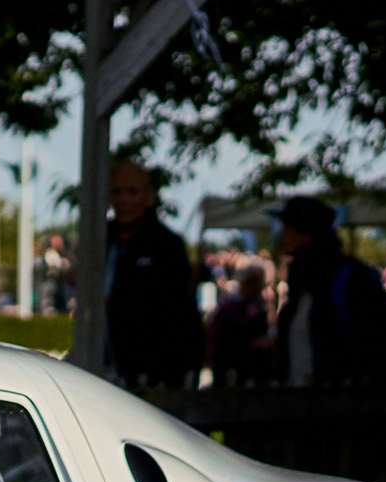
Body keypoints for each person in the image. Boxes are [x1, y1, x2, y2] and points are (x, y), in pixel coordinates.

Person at [273, 195, 386, 385]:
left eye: (288, 228)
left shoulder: (351, 278)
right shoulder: (300, 283)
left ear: (305, 234)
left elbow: (374, 343)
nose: (282, 235)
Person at [101, 159, 202, 387]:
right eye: (117, 192)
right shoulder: (100, 240)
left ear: (148, 197)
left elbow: (181, 314)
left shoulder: (167, 246)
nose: (124, 200)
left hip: (155, 373)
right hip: (108, 364)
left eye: (132, 192)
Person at [205, 259, 272, 384]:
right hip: (227, 360)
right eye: (255, 282)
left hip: (245, 363)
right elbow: (226, 334)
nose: (260, 286)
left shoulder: (256, 304)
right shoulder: (230, 305)